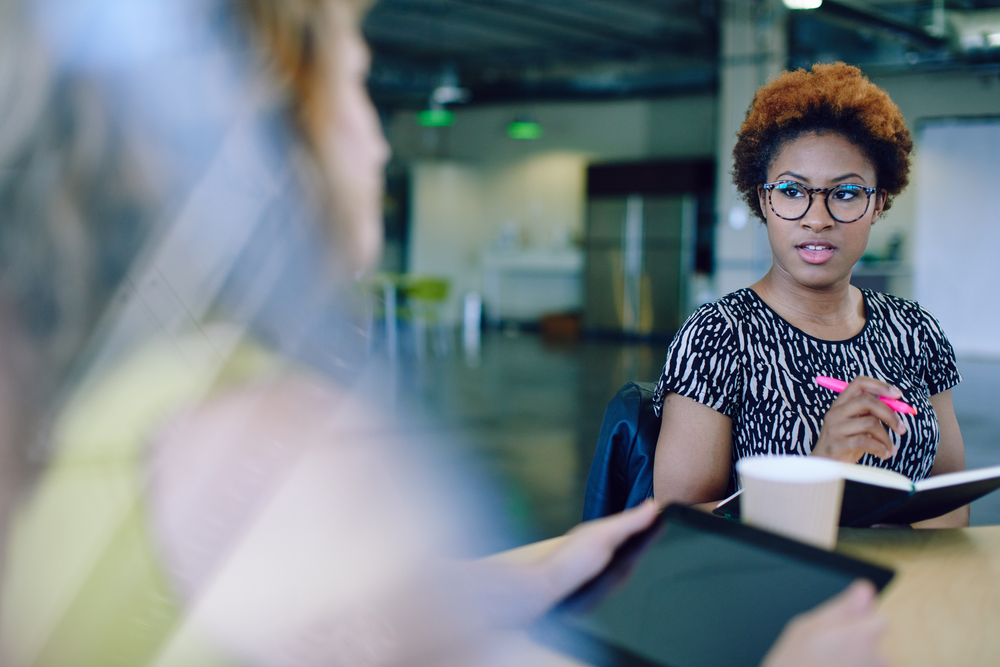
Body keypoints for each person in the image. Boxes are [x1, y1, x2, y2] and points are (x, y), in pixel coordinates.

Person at [0, 2, 887, 664]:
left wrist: (518, 578)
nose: (381, 146)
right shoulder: (272, 439)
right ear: (251, 130)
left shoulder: (110, 402)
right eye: (353, 85)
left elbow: (331, 623)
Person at [651, 62, 967, 529]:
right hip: (777, 589)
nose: (817, 218)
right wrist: (821, 468)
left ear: (878, 204)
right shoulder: (718, 336)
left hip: (904, 589)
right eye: (792, 190)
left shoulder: (915, 331)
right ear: (763, 200)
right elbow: (678, 526)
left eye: (845, 194)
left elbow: (947, 498)